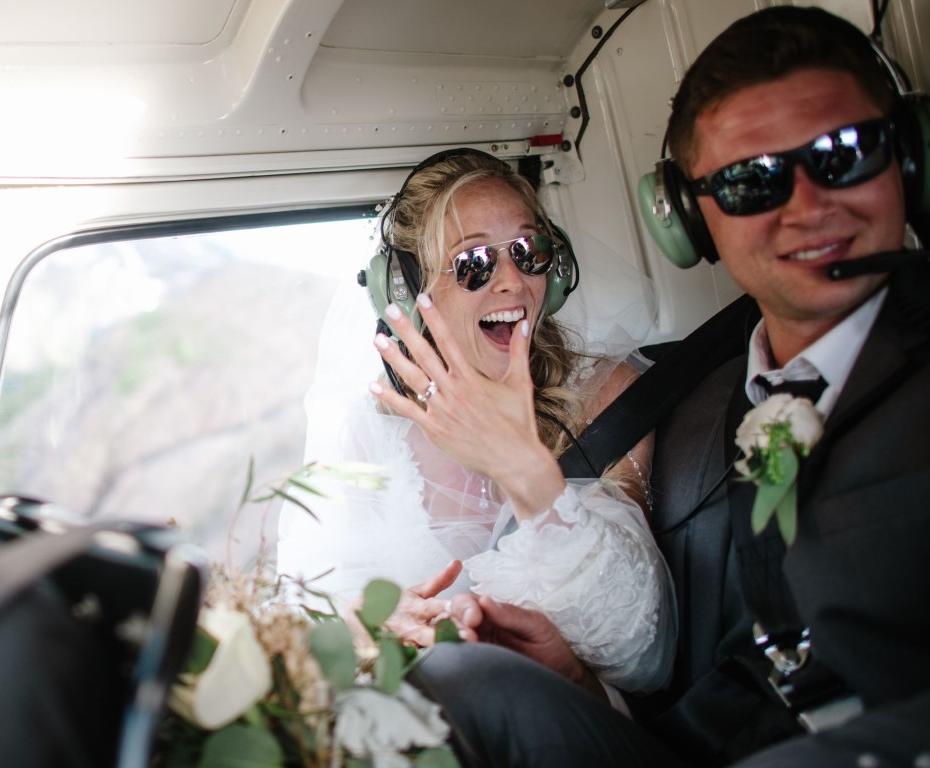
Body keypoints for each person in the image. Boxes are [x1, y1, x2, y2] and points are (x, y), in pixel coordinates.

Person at [407, 6, 930, 767]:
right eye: (751, 180)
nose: (808, 207)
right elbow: (740, 679)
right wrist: (582, 683)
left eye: (843, 154)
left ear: (908, 157)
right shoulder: (709, 406)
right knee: (455, 680)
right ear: (688, 218)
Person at [277, 147, 675, 697]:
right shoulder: (372, 429)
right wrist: (367, 627)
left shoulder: (607, 396)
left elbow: (641, 652)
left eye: (529, 251)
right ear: (408, 289)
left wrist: (518, 466)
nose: (512, 281)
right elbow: (313, 609)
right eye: (474, 262)